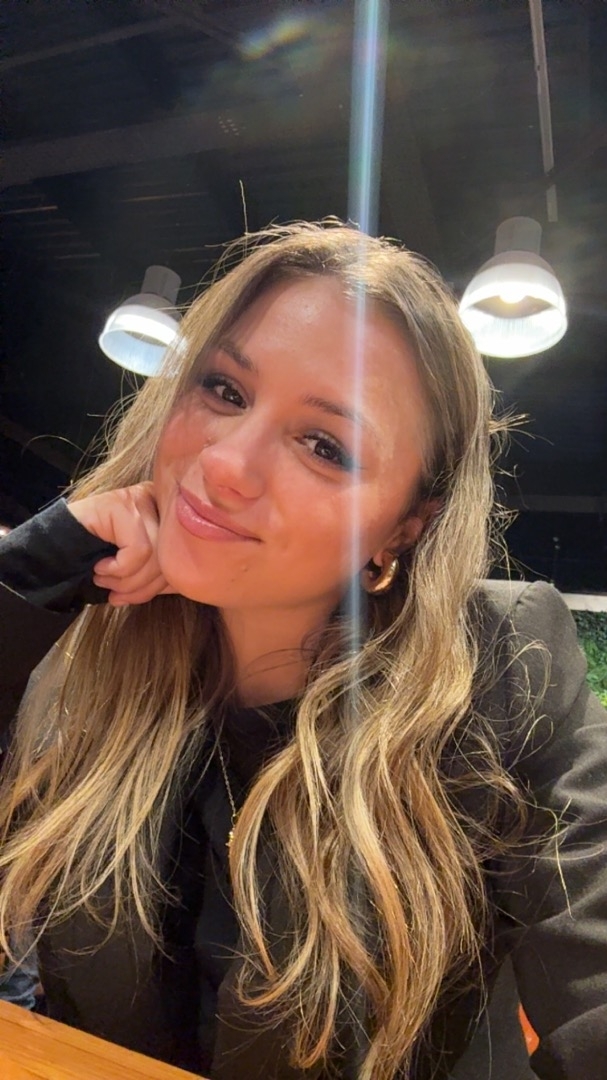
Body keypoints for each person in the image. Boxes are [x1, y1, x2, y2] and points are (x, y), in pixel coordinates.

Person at [0, 221, 605, 1080]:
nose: (225, 463)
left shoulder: (501, 665)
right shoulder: (88, 645)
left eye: (325, 446)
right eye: (223, 389)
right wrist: (32, 572)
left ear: (402, 528)